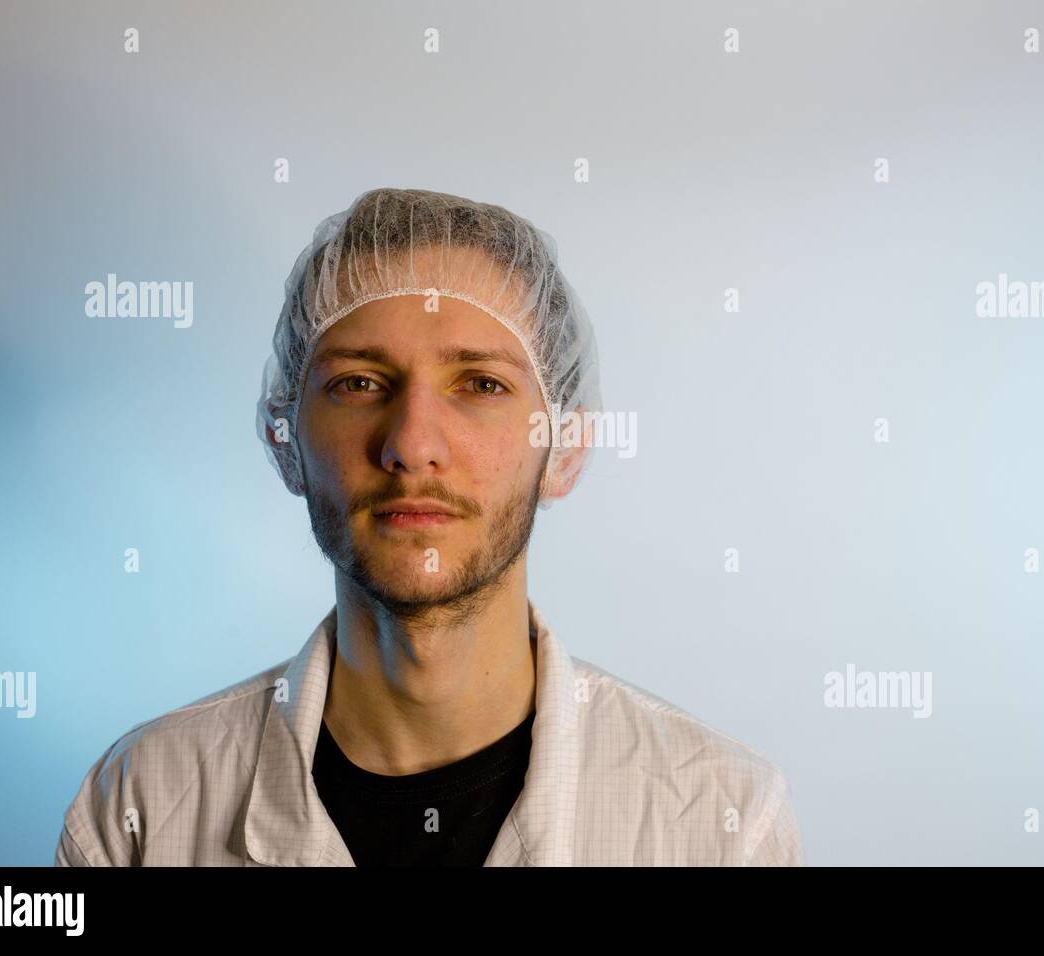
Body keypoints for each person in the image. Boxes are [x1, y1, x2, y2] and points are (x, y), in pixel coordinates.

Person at [54, 187, 803, 866]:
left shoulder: (719, 822)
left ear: (563, 442)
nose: (412, 444)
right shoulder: (144, 809)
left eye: (481, 384)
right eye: (358, 383)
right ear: (289, 433)